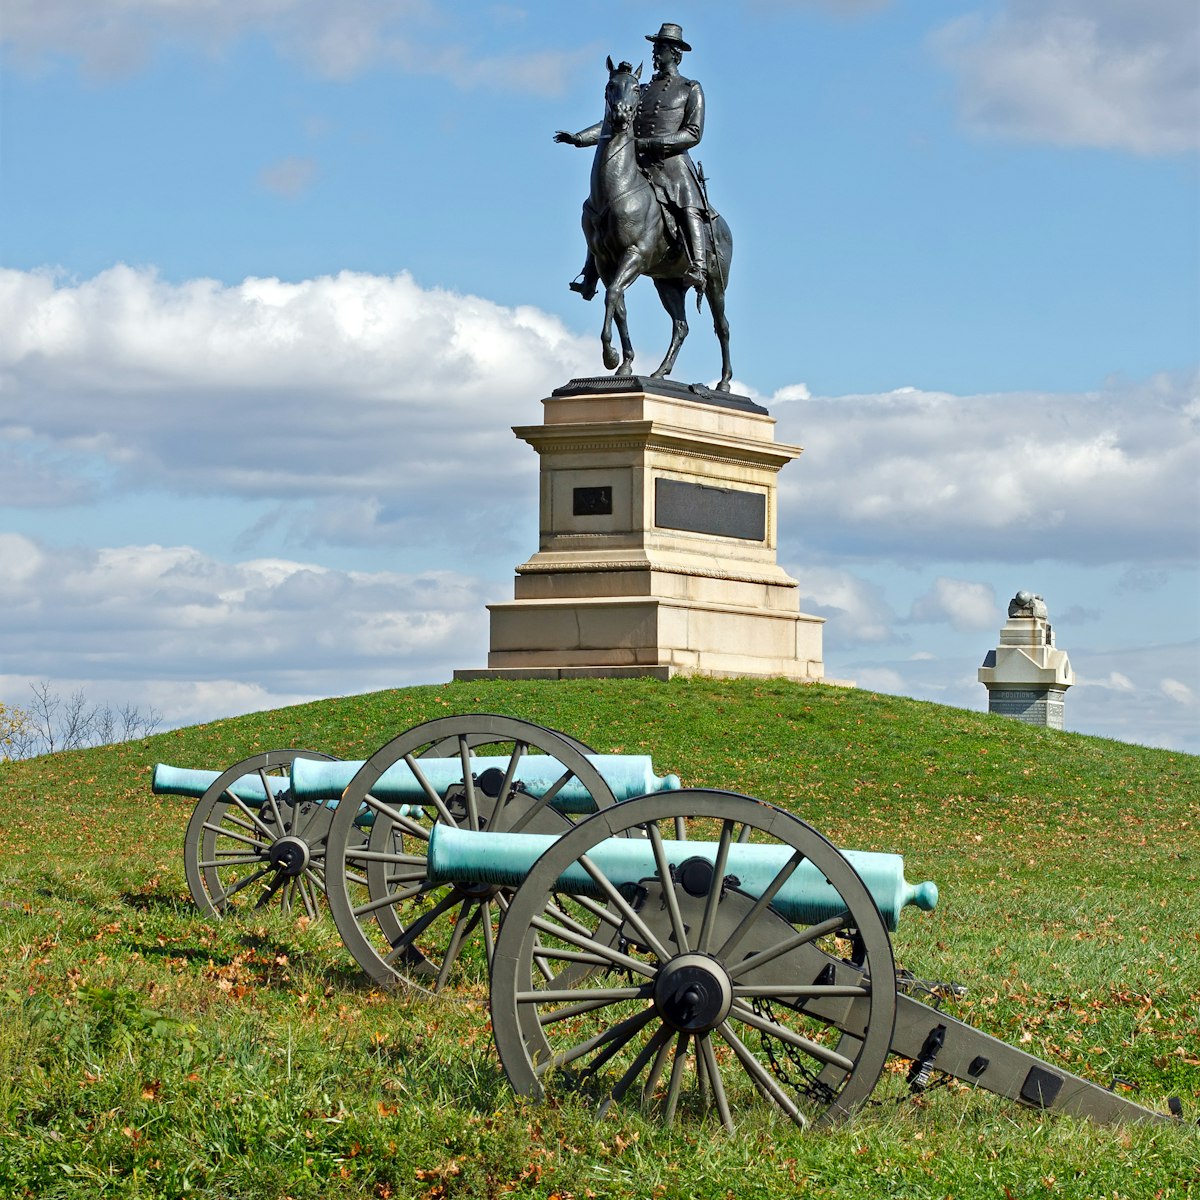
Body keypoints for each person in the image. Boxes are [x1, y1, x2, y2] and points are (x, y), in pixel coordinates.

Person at [555, 22, 711, 300]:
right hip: (638, 163)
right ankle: (590, 274)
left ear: (675, 53)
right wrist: (579, 138)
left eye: (660, 47)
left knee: (689, 204)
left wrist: (653, 143)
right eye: (655, 47)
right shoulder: (643, 88)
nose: (655, 52)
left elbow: (693, 133)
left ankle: (698, 266)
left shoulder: (690, 88)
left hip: (673, 164)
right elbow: (616, 121)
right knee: (601, 206)